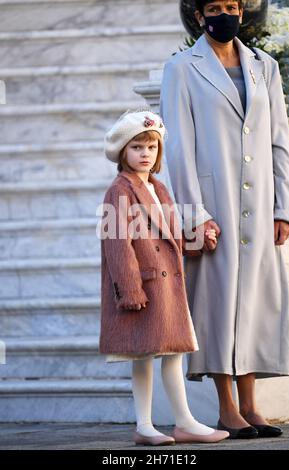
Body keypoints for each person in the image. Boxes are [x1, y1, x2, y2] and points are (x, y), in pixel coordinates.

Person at [160, 0, 289, 439]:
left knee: (255, 302)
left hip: (259, 207)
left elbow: (278, 140)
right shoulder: (182, 68)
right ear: (200, 16)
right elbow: (178, 146)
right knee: (218, 305)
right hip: (213, 206)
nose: (226, 14)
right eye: (216, 7)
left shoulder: (266, 66)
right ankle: (226, 409)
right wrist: (193, 214)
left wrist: (284, 209)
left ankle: (252, 406)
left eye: (233, 6)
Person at [99, 108, 229, 445]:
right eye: (137, 147)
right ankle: (144, 425)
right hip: (143, 287)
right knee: (142, 357)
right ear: (122, 151)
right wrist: (129, 289)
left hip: (167, 285)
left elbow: (168, 238)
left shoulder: (159, 188)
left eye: (151, 148)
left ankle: (184, 421)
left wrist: (199, 240)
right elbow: (117, 243)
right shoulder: (120, 190)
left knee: (173, 353)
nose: (145, 154)